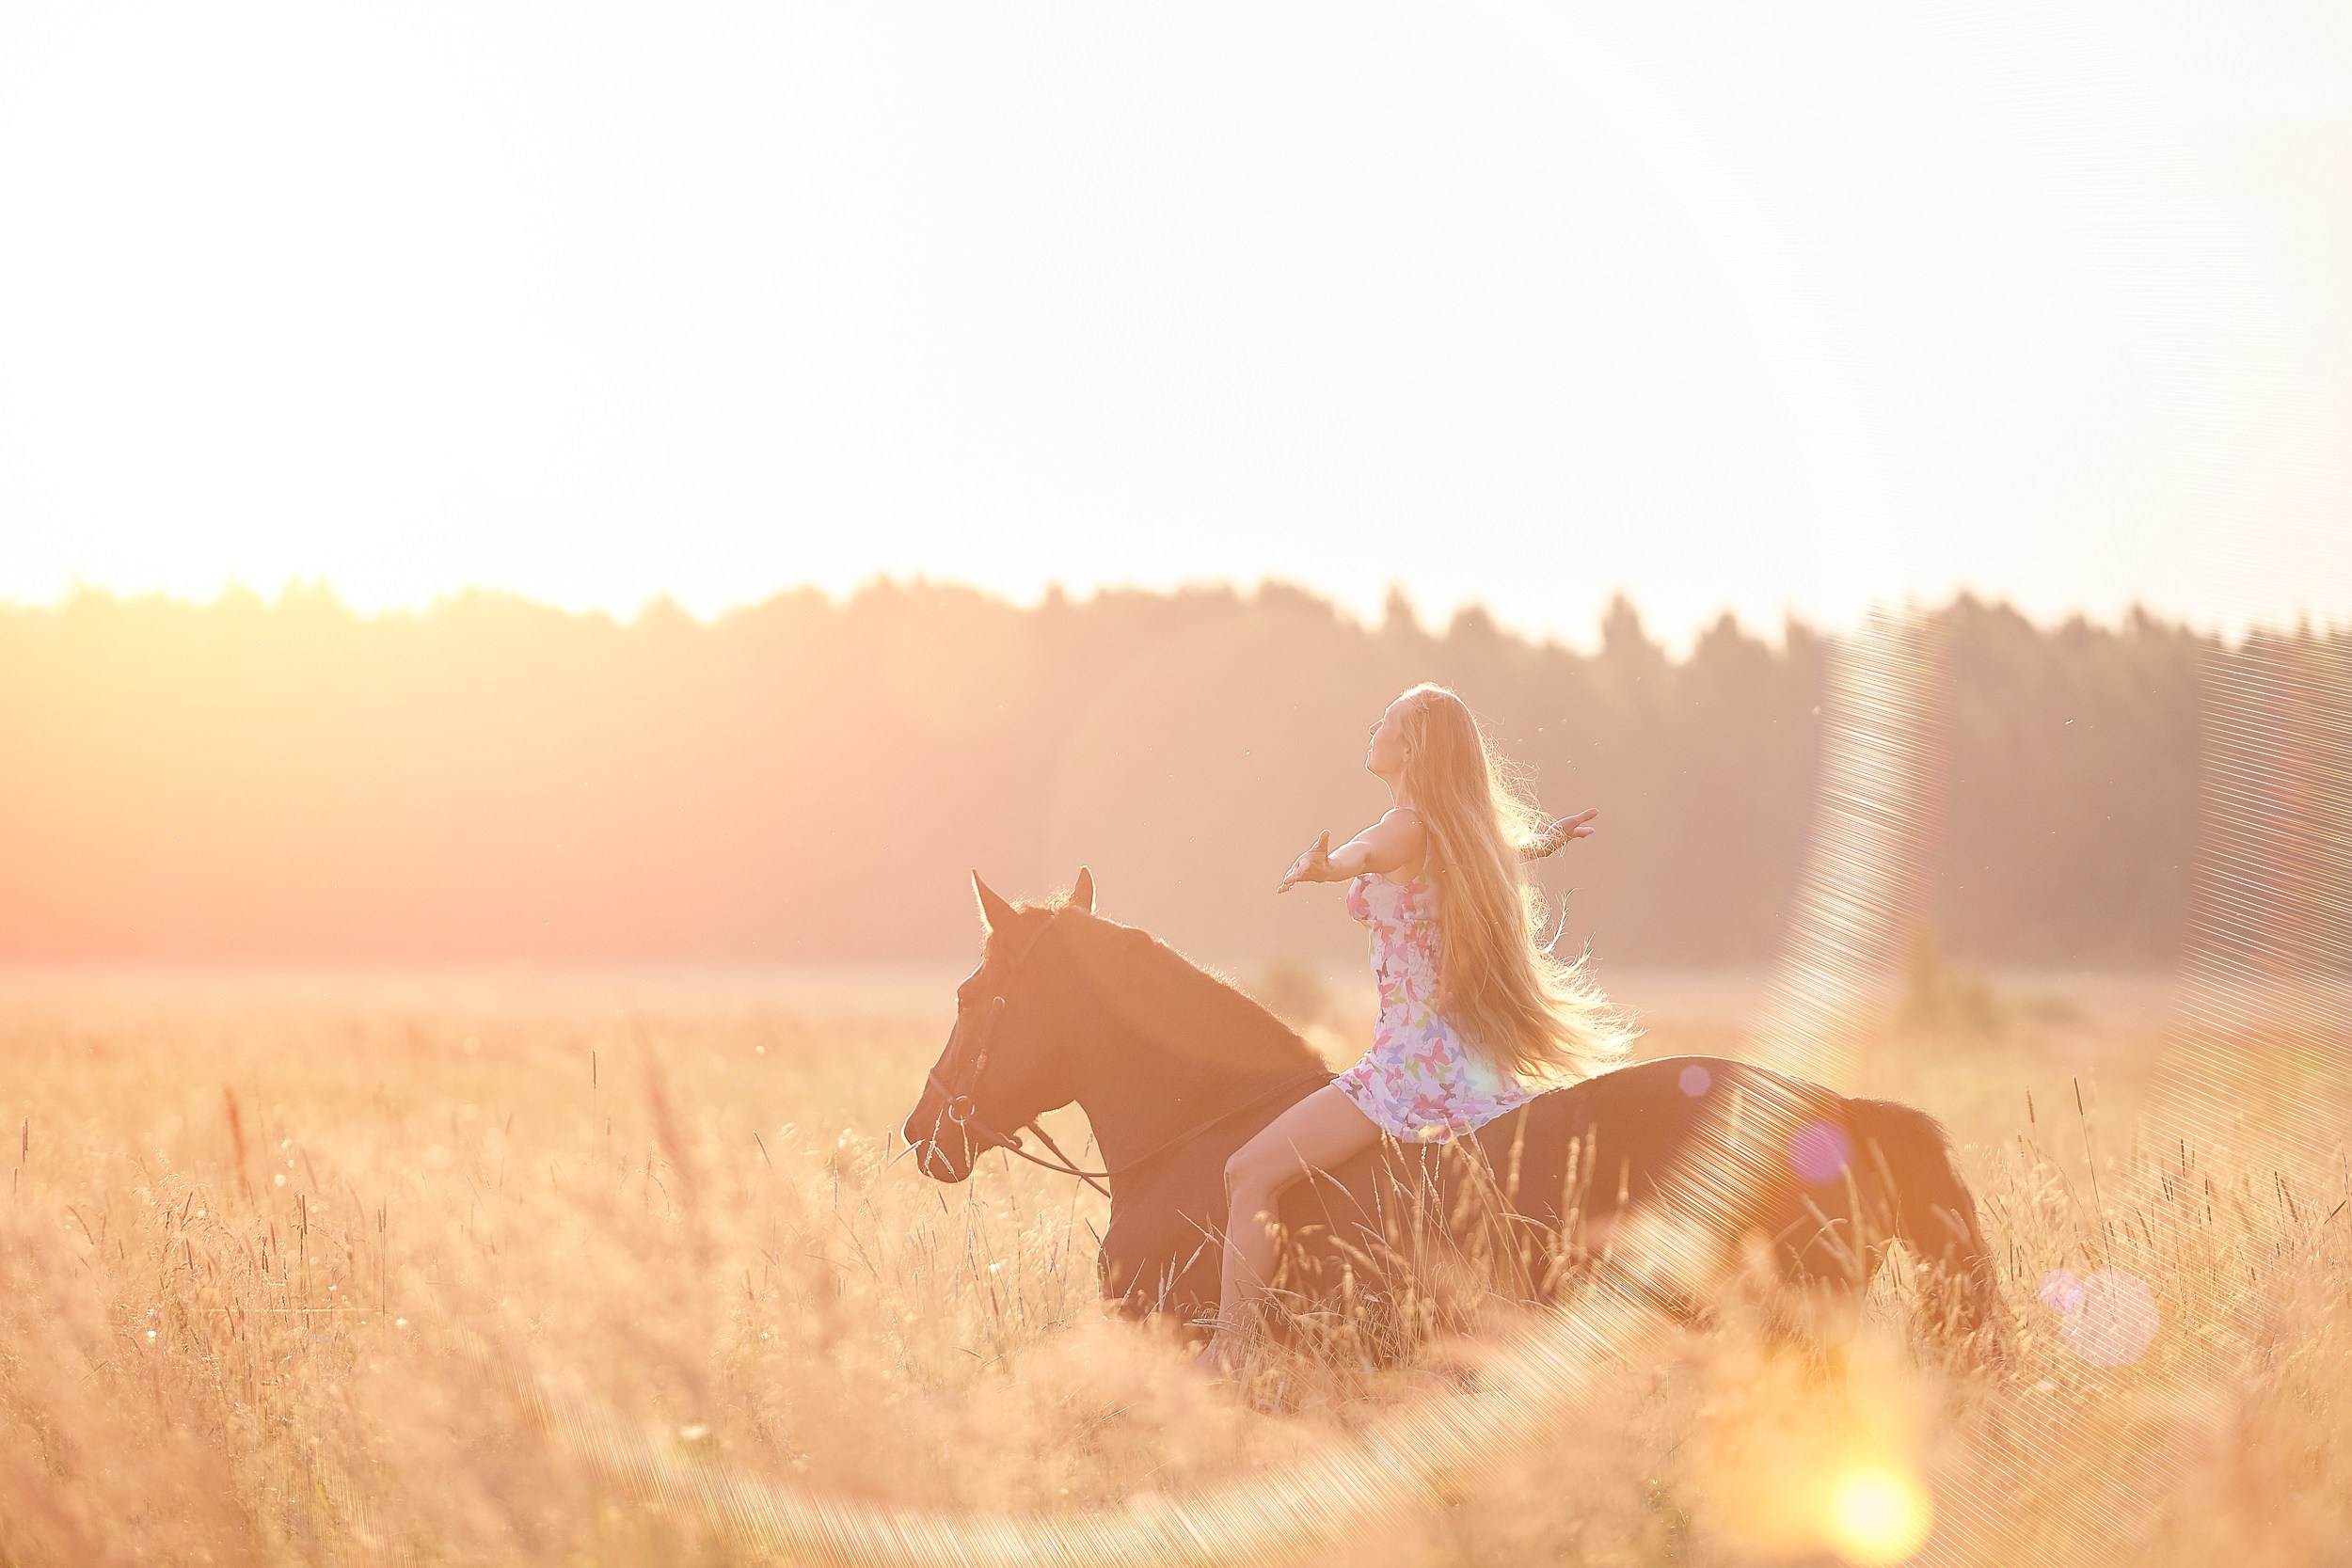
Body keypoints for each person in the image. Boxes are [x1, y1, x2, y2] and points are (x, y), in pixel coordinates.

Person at [1195, 682, 1636, 1372]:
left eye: (1387, 721)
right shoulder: (1460, 827)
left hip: (1410, 1063)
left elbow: (1365, 853)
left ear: (1412, 747)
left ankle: (1229, 1349)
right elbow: (1506, 847)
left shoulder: (1406, 823)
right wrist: (1549, 839)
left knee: (1246, 1172)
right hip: (1463, 1054)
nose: (1374, 728)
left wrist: (1325, 867)